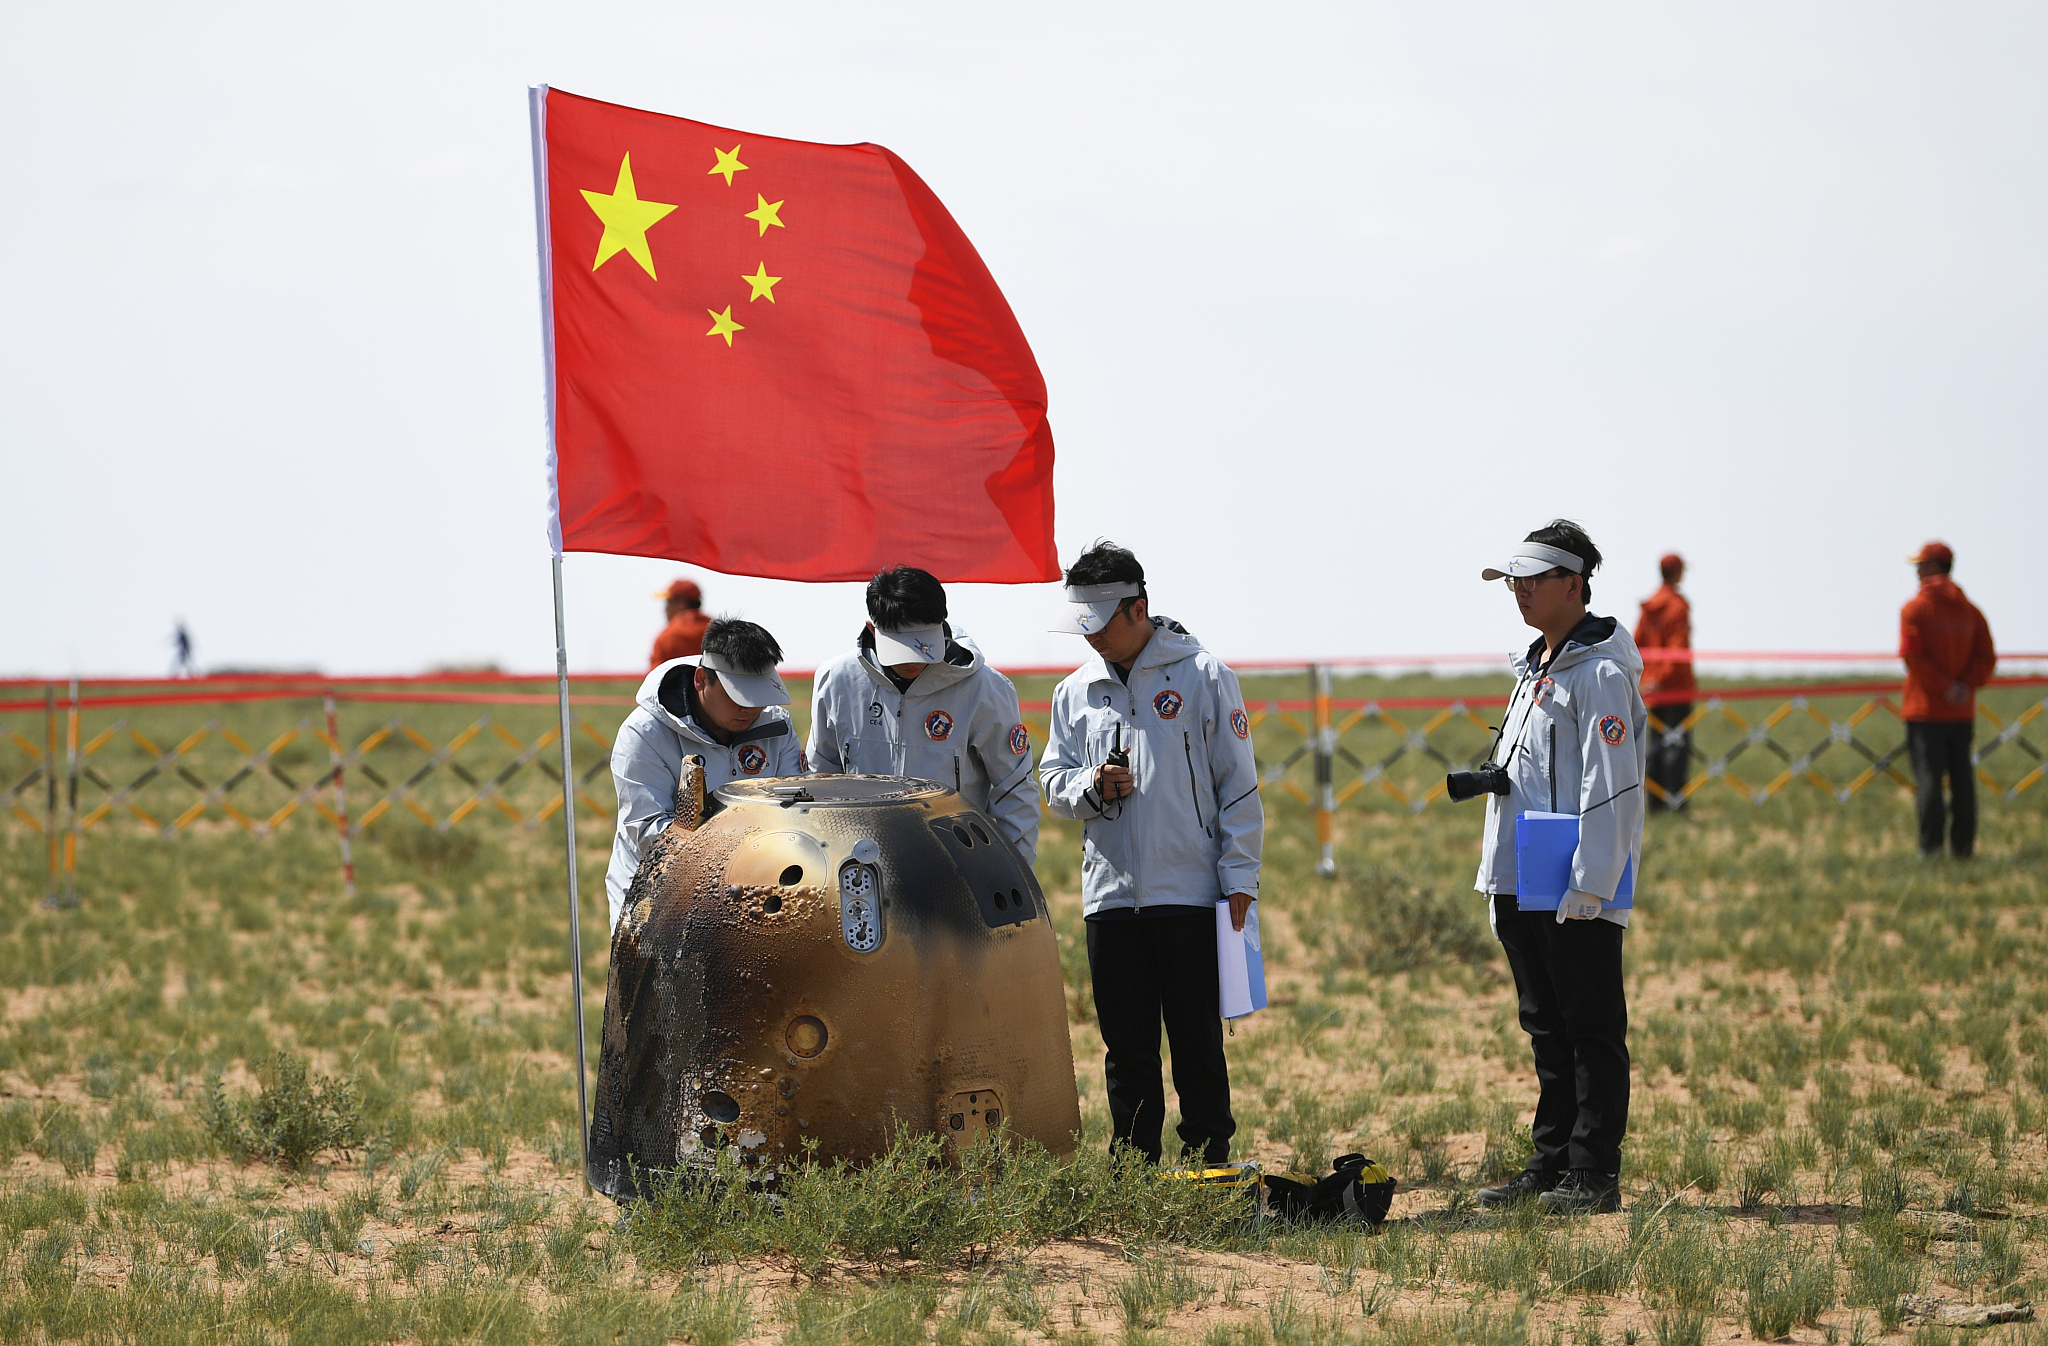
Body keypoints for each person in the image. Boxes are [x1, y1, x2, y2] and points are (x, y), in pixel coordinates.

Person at [1038, 541, 1262, 1166]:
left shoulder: (1204, 676)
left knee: (1196, 1037)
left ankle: (1209, 1154)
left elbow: (1237, 784)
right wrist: (1091, 785)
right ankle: (1132, 1163)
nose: (1091, 639)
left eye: (1102, 623)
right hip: (1109, 894)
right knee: (1126, 1044)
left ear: (1138, 607)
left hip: (1189, 892)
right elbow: (1052, 779)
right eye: (1081, 626)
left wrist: (1240, 876)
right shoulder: (1073, 692)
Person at [1470, 521, 1646, 1216]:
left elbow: (1613, 787)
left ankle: (1594, 1170)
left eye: (1533, 579)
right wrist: (1499, 881)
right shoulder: (1533, 667)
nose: (1519, 592)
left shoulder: (1600, 674)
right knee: (1545, 1024)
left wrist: (1594, 883)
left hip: (1575, 871)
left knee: (1590, 1025)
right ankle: (1550, 1161)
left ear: (1573, 585)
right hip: (1525, 866)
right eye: (1514, 580)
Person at [806, 566, 1039, 864]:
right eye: (901, 647)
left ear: (942, 625)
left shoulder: (985, 688)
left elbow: (1015, 792)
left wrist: (1010, 876)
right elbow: (819, 780)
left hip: (959, 867)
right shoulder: (836, 681)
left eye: (924, 645)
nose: (913, 659)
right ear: (872, 628)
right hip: (859, 866)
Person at [606, 617, 804, 931]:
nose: (749, 710)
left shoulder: (776, 723)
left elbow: (796, 807)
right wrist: (740, 851)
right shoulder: (645, 733)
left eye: (758, 697)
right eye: (738, 696)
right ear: (701, 680)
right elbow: (648, 833)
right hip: (658, 896)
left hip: (755, 891)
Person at [1900, 541, 1996, 860]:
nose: (1916, 572)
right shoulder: (1972, 612)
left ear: (1931, 568)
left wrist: (1944, 687)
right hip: (1961, 712)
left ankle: (1930, 849)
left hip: (1926, 711)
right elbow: (1986, 658)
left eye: (1919, 565)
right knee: (1962, 782)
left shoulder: (1914, 609)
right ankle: (1963, 848)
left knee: (1929, 781)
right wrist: (1964, 687)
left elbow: (1912, 656)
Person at [1633, 553, 1695, 811]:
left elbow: (1636, 644)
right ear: (1678, 573)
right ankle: (1676, 803)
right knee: (1677, 748)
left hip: (1652, 690)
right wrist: (1663, 678)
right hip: (1677, 688)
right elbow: (1678, 650)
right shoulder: (1678, 606)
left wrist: (1649, 679)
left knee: (1656, 746)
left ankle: (1655, 804)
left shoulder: (1649, 605)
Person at [649, 579, 712, 667]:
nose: (665, 609)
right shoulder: (718, 631)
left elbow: (654, 677)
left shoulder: (666, 637)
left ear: (681, 604)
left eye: (669, 603)